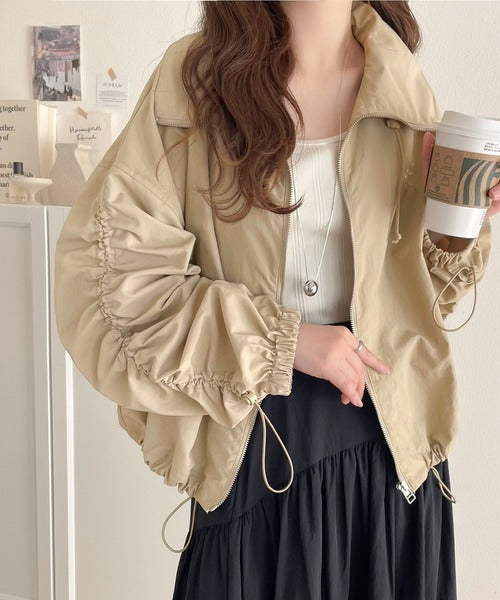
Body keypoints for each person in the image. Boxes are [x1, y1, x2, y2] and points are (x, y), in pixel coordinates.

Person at [54, 1, 499, 598]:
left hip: (392, 449)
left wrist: (458, 229)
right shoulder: (198, 81)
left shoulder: (398, 84)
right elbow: (116, 287)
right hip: (258, 446)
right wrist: (286, 343)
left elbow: (423, 301)